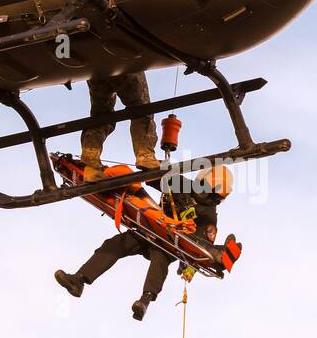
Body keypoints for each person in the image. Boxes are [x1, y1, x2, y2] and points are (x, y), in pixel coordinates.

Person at [55, 164, 234, 321]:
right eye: (208, 193)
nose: (210, 199)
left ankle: (145, 301)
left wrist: (190, 268)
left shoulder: (209, 216)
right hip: (149, 229)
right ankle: (79, 280)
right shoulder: (182, 185)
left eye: (215, 198)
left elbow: (200, 247)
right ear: (200, 182)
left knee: (160, 260)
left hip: (168, 244)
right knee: (115, 244)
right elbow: (151, 179)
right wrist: (155, 169)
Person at [81, 71, 160, 181]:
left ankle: (91, 163)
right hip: (123, 61)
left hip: (94, 67)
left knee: (101, 113)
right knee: (140, 107)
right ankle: (145, 156)